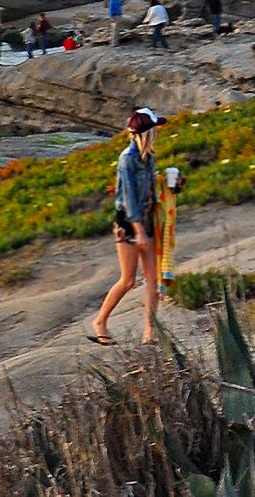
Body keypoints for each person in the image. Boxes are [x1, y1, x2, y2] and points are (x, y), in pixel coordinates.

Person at [88, 109, 164, 346]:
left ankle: (150, 331)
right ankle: (100, 321)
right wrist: (139, 231)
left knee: (153, 278)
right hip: (128, 225)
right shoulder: (127, 159)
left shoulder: (148, 157)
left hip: (148, 220)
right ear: (147, 132)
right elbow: (129, 198)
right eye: (155, 129)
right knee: (128, 279)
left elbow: (148, 191)